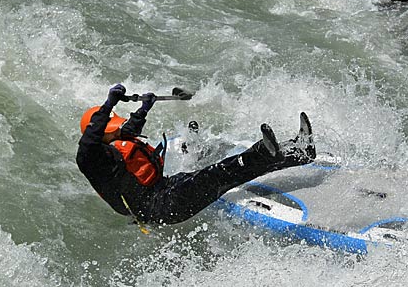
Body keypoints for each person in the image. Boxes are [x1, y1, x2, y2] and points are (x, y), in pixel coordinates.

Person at [77, 84, 315, 226]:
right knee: (218, 174)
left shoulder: (112, 144)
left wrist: (144, 107)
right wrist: (108, 103)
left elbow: (128, 130)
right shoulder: (91, 159)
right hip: (158, 209)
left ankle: (297, 153)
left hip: (165, 188)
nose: (118, 130)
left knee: (220, 173)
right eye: (110, 129)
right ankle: (266, 152)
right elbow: (89, 139)